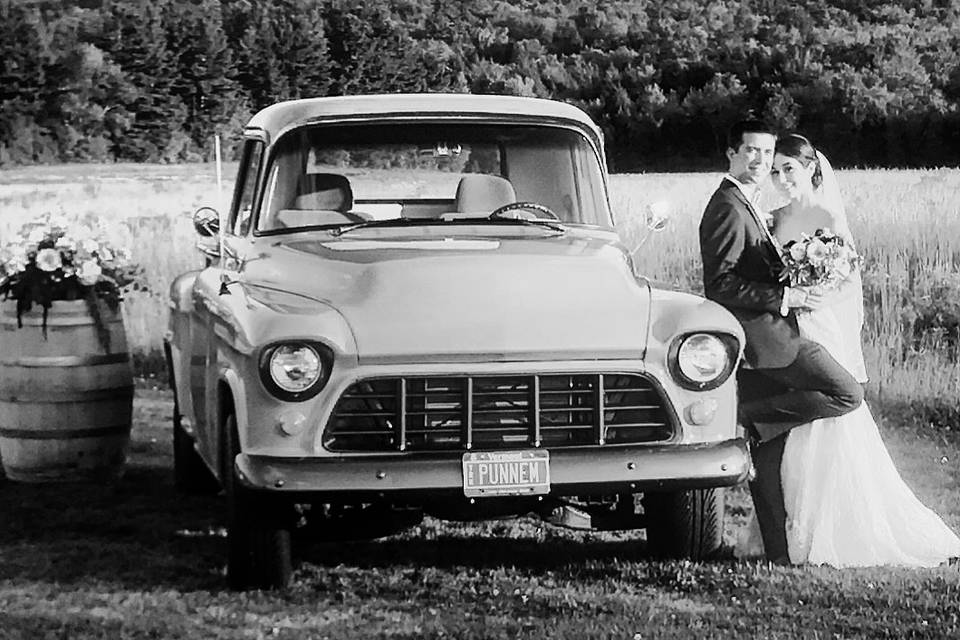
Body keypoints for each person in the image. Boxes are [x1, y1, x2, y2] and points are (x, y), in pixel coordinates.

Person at [749, 133, 960, 566]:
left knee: (837, 410)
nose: (781, 178)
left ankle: (836, 523)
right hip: (789, 326)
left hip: (820, 326)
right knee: (806, 421)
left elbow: (845, 279)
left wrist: (816, 292)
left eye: (789, 168)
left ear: (810, 169)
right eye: (775, 170)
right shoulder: (769, 221)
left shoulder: (826, 217)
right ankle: (789, 523)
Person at [698, 120, 864, 565]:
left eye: (766, 154)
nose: (760, 161)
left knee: (768, 456)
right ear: (732, 153)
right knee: (847, 391)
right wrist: (786, 295)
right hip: (770, 340)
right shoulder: (727, 207)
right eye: (751, 151)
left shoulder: (746, 204)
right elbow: (721, 286)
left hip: (781, 333)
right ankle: (749, 417)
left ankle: (778, 551)